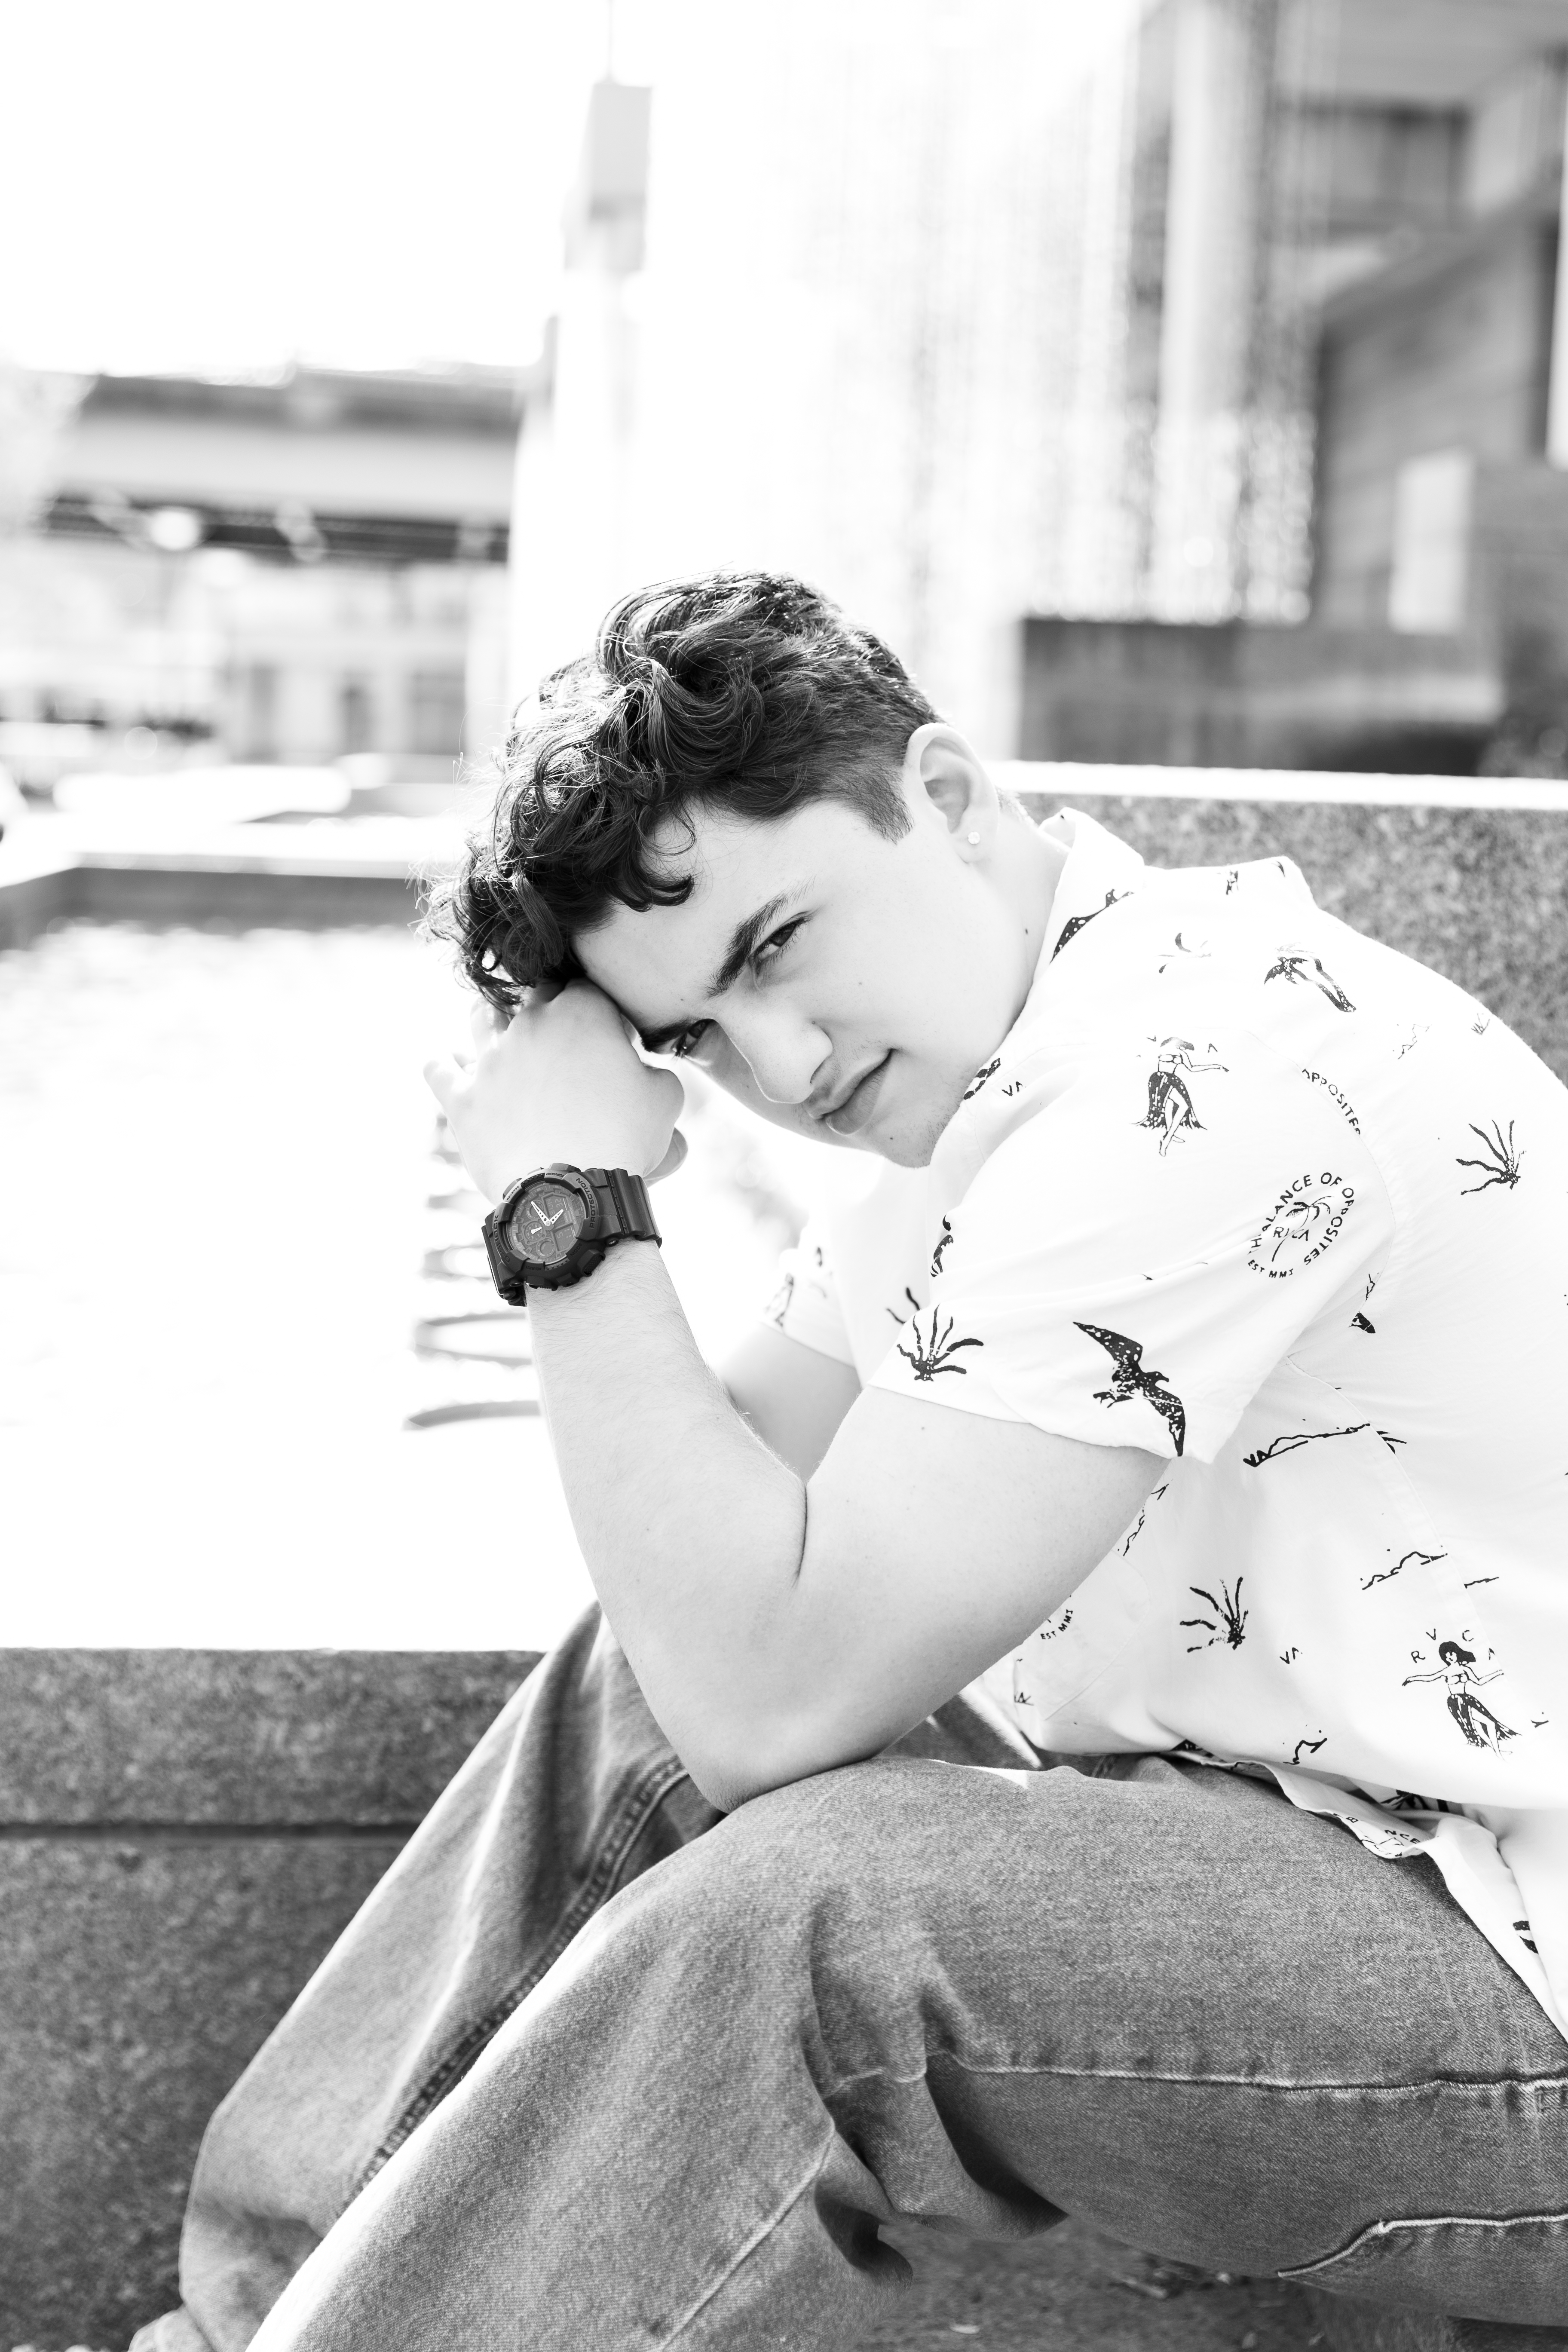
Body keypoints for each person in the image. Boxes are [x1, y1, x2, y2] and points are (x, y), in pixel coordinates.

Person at [138, 573, 1568, 2351]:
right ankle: (254, 2328)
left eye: (773, 947)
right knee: (635, 1691)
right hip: (1333, 1865)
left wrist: (567, 1208)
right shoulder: (1012, 1069)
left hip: (1519, 1980)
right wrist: (578, 1128)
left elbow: (771, 1693)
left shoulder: (1201, 1078)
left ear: (948, 797)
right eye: (695, 1042)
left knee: (822, 1923)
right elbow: (713, 1549)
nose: (787, 1069)